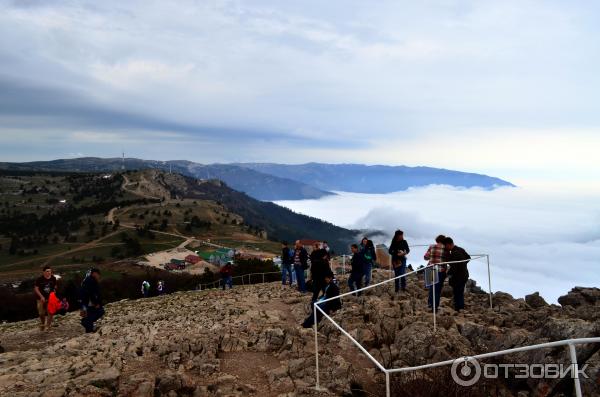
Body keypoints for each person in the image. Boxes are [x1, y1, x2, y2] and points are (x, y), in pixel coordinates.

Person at [444, 237, 471, 312]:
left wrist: (447, 275)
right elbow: (468, 258)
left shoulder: (454, 253)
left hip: (458, 277)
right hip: (464, 274)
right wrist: (463, 265)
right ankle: (460, 309)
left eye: (445, 246)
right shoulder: (460, 249)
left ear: (449, 244)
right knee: (460, 292)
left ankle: (459, 309)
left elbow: (454, 267)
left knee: (457, 293)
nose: (445, 248)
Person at [424, 235, 448, 311]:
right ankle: (435, 307)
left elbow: (425, 257)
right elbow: (447, 260)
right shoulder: (445, 248)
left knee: (432, 288)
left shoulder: (432, 246)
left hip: (430, 268)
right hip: (440, 270)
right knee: (437, 290)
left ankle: (430, 304)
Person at [80, 268, 104, 333]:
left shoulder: (87, 280)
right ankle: (86, 324)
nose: (99, 276)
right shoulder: (91, 281)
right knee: (100, 311)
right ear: (94, 273)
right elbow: (92, 293)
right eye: (98, 274)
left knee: (90, 315)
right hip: (89, 303)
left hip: (85, 302)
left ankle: (88, 329)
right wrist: (96, 303)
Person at [34, 266, 58, 331]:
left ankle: (48, 326)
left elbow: (55, 286)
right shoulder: (39, 279)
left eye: (50, 271)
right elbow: (36, 289)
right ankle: (43, 324)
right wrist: (41, 296)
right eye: (47, 271)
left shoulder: (53, 278)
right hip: (40, 299)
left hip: (50, 298)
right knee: (41, 313)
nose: (49, 272)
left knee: (50, 312)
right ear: (44, 272)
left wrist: (54, 290)